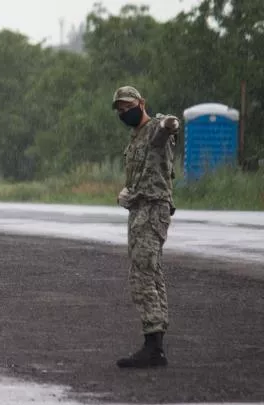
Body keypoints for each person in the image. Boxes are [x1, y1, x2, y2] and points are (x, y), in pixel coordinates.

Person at [112, 86, 179, 369]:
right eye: (119, 110)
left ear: (141, 103)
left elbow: (168, 127)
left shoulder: (153, 129)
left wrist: (168, 123)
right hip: (140, 209)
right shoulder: (135, 138)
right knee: (152, 273)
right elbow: (140, 174)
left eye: (127, 107)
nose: (124, 112)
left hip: (153, 210)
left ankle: (153, 345)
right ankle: (156, 345)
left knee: (142, 274)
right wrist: (126, 192)